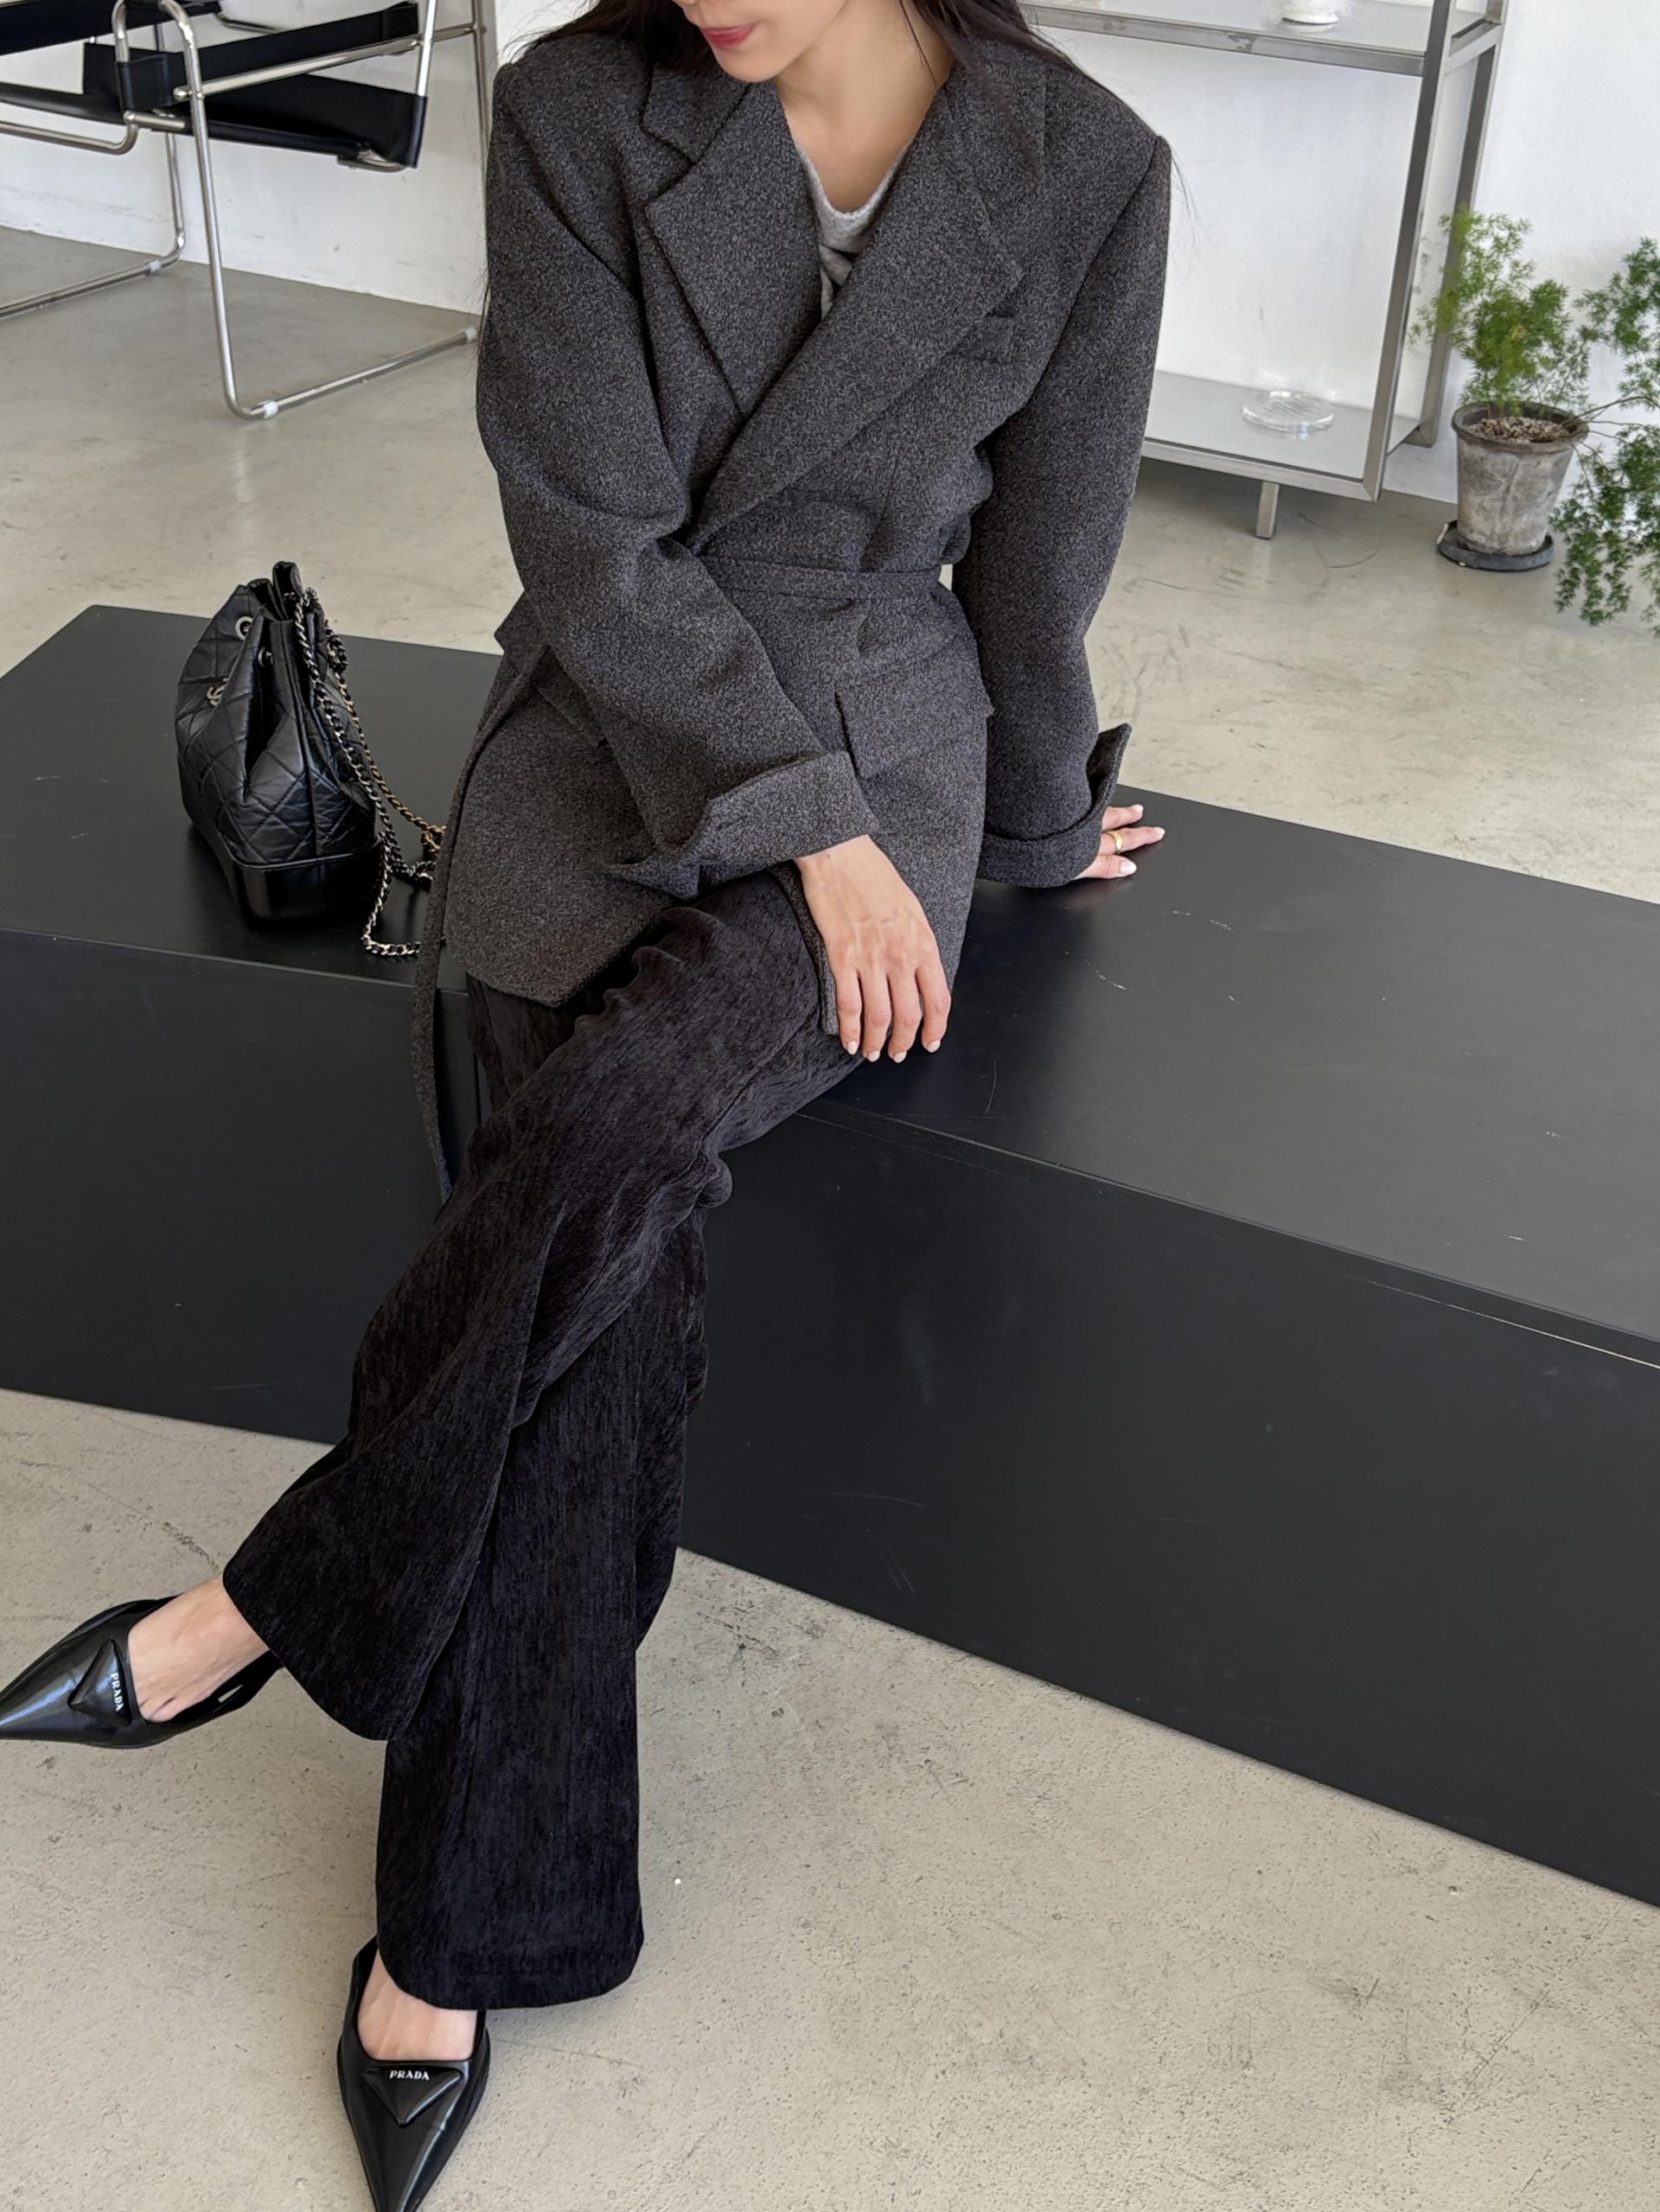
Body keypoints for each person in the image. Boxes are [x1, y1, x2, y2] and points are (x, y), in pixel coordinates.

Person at [0, 0, 1172, 2204]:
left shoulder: (1086, 167)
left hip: (883, 751)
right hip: (604, 730)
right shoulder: (570, 109)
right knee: (606, 1271)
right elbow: (593, 538)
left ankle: (277, 1603)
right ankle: (455, 1937)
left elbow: (1038, 569)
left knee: (622, 1117)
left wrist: (1017, 829)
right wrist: (794, 820)